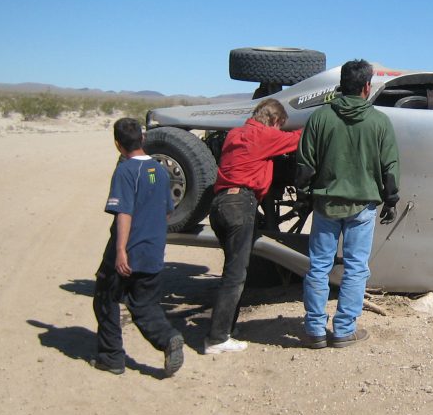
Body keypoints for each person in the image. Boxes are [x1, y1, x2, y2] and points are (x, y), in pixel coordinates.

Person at [297, 59, 400, 349]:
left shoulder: (319, 117)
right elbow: (390, 167)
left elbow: (305, 164)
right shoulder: (380, 122)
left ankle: (315, 329)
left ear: (341, 85)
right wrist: (391, 200)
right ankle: (344, 330)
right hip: (362, 208)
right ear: (367, 86)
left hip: (325, 205)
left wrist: (304, 195)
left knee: (319, 266)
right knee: (356, 268)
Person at [204, 98, 301, 354]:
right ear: (276, 121)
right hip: (239, 204)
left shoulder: (235, 133)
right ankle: (216, 338)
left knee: (232, 270)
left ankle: (226, 328)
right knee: (235, 275)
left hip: (220, 204)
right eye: (280, 126)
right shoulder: (264, 136)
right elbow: (298, 138)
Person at [92, 117, 184, 377]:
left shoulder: (125, 170)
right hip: (153, 251)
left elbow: (123, 212)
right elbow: (168, 211)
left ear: (117, 144)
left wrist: (121, 249)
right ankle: (168, 338)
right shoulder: (159, 170)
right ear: (143, 139)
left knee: (105, 297)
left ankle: (111, 358)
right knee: (144, 305)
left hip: (128, 251)